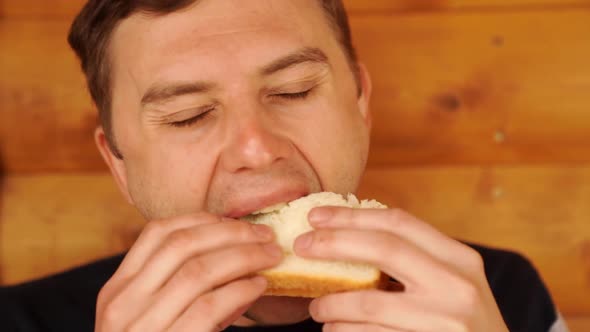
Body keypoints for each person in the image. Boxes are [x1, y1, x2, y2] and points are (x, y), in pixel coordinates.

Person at [0, 1, 569, 331]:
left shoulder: (497, 295)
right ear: (118, 162)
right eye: (188, 115)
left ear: (360, 105)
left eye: (294, 91)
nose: (256, 148)